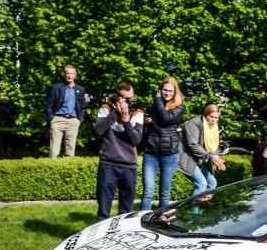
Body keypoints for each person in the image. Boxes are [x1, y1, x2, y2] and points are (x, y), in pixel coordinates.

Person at [94, 81, 144, 221]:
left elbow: (136, 140)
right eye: (126, 99)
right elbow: (98, 130)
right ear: (117, 97)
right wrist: (116, 112)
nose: (129, 102)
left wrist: (127, 121)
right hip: (108, 164)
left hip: (129, 166)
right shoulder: (106, 109)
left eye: (131, 98)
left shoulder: (137, 112)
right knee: (103, 211)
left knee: (125, 212)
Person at [141, 77, 185, 211]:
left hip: (169, 154)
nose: (167, 93)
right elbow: (146, 129)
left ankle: (161, 219)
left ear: (175, 92)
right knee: (148, 191)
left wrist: (158, 100)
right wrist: (146, 122)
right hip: (151, 153)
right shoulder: (152, 106)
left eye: (170, 91)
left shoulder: (179, 107)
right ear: (160, 90)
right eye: (164, 90)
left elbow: (166, 119)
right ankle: (140, 220)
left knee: (164, 192)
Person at [178, 103, 228, 197]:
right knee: (202, 184)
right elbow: (193, 145)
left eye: (216, 118)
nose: (213, 120)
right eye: (211, 117)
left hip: (198, 159)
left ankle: (198, 209)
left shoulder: (214, 127)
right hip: (187, 158)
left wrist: (217, 158)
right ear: (205, 115)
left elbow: (214, 146)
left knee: (212, 184)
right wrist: (211, 157)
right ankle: (193, 211)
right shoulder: (194, 123)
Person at [46, 64, 87, 158]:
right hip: (58, 120)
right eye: (68, 73)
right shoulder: (57, 87)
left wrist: (79, 120)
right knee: (54, 152)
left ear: (75, 75)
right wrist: (51, 118)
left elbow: (82, 107)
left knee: (70, 151)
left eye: (72, 73)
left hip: (73, 121)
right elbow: (49, 104)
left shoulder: (80, 90)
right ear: (65, 75)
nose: (69, 75)